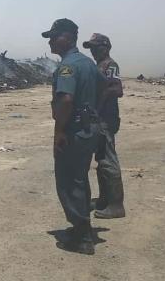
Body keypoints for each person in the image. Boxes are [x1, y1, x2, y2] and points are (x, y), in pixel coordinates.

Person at [41, 18, 102, 255]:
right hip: (89, 129)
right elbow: (106, 88)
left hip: (74, 131)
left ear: (67, 37)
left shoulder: (68, 66)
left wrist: (59, 132)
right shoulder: (87, 63)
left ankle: (81, 236)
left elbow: (66, 100)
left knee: (69, 181)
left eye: (54, 37)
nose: (51, 42)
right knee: (80, 178)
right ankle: (82, 226)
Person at [83, 33, 126, 219]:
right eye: (91, 48)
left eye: (96, 47)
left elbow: (117, 89)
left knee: (108, 160)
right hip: (98, 119)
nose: (93, 51)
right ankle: (103, 199)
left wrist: (101, 99)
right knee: (101, 161)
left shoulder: (110, 64)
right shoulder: (98, 65)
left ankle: (116, 204)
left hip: (107, 119)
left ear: (106, 47)